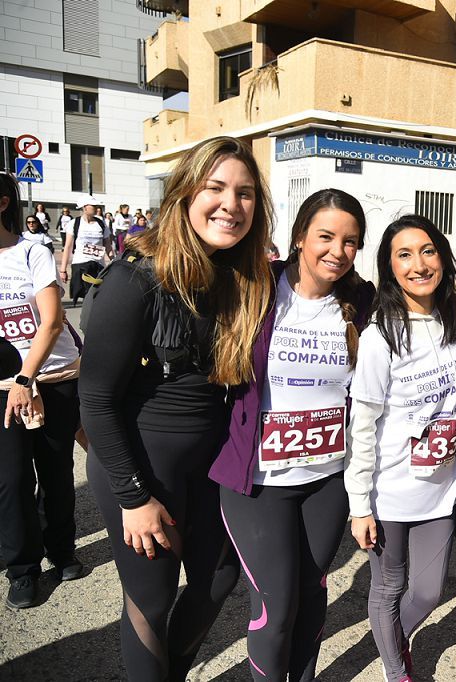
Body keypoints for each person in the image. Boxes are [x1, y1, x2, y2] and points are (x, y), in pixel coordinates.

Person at [80, 136, 273, 680]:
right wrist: (133, 497)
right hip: (143, 465)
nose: (230, 205)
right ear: (185, 194)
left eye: (245, 193)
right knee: (152, 599)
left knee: (218, 581)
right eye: (215, 188)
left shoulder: (243, 280)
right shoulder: (135, 279)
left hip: (210, 468)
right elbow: (95, 401)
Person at [211, 189, 375, 681]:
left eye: (350, 241)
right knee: (277, 606)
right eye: (325, 236)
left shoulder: (362, 300)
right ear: (300, 237)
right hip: (259, 483)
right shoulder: (255, 286)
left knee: (311, 595)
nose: (337, 251)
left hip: (327, 480)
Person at [347, 215, 456, 682]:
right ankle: (396, 671)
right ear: (390, 268)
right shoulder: (381, 335)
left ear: (442, 256)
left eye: (428, 251)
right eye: (404, 255)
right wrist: (360, 504)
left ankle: (391, 641)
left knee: (429, 592)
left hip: (440, 488)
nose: (419, 264)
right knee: (389, 585)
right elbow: (363, 424)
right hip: (390, 492)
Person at [0, 173, 84, 609]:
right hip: (4, 386)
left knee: (55, 472)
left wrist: (25, 378)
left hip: (51, 377)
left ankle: (62, 550)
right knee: (12, 480)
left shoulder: (32, 251)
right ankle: (22, 569)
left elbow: (51, 322)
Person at [60, 198, 113, 306]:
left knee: (97, 296)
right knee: (86, 296)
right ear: (84, 208)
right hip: (81, 263)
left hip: (98, 264)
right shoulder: (74, 223)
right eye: (92, 206)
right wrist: (63, 270)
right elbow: (68, 246)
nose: (96, 208)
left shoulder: (101, 224)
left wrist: (114, 260)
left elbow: (108, 245)